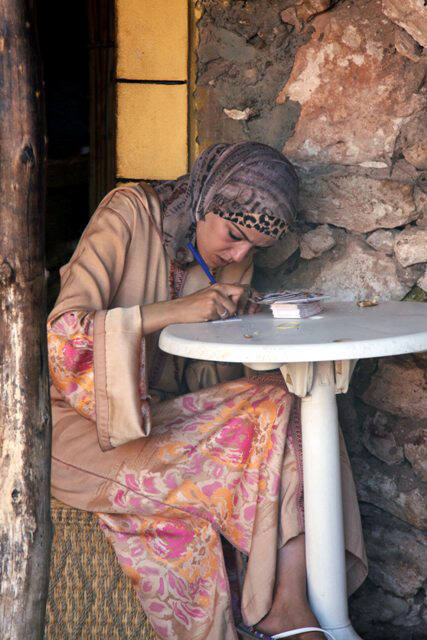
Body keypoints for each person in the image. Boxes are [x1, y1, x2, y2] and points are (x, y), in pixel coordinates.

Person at [47, 142, 367, 640]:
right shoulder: (128, 211)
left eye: (253, 249)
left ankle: (288, 603)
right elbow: (67, 333)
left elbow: (209, 376)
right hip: (83, 427)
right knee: (277, 426)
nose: (238, 254)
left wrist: (247, 324)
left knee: (294, 405)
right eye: (234, 236)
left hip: (168, 415)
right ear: (204, 204)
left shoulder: (233, 259)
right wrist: (180, 310)